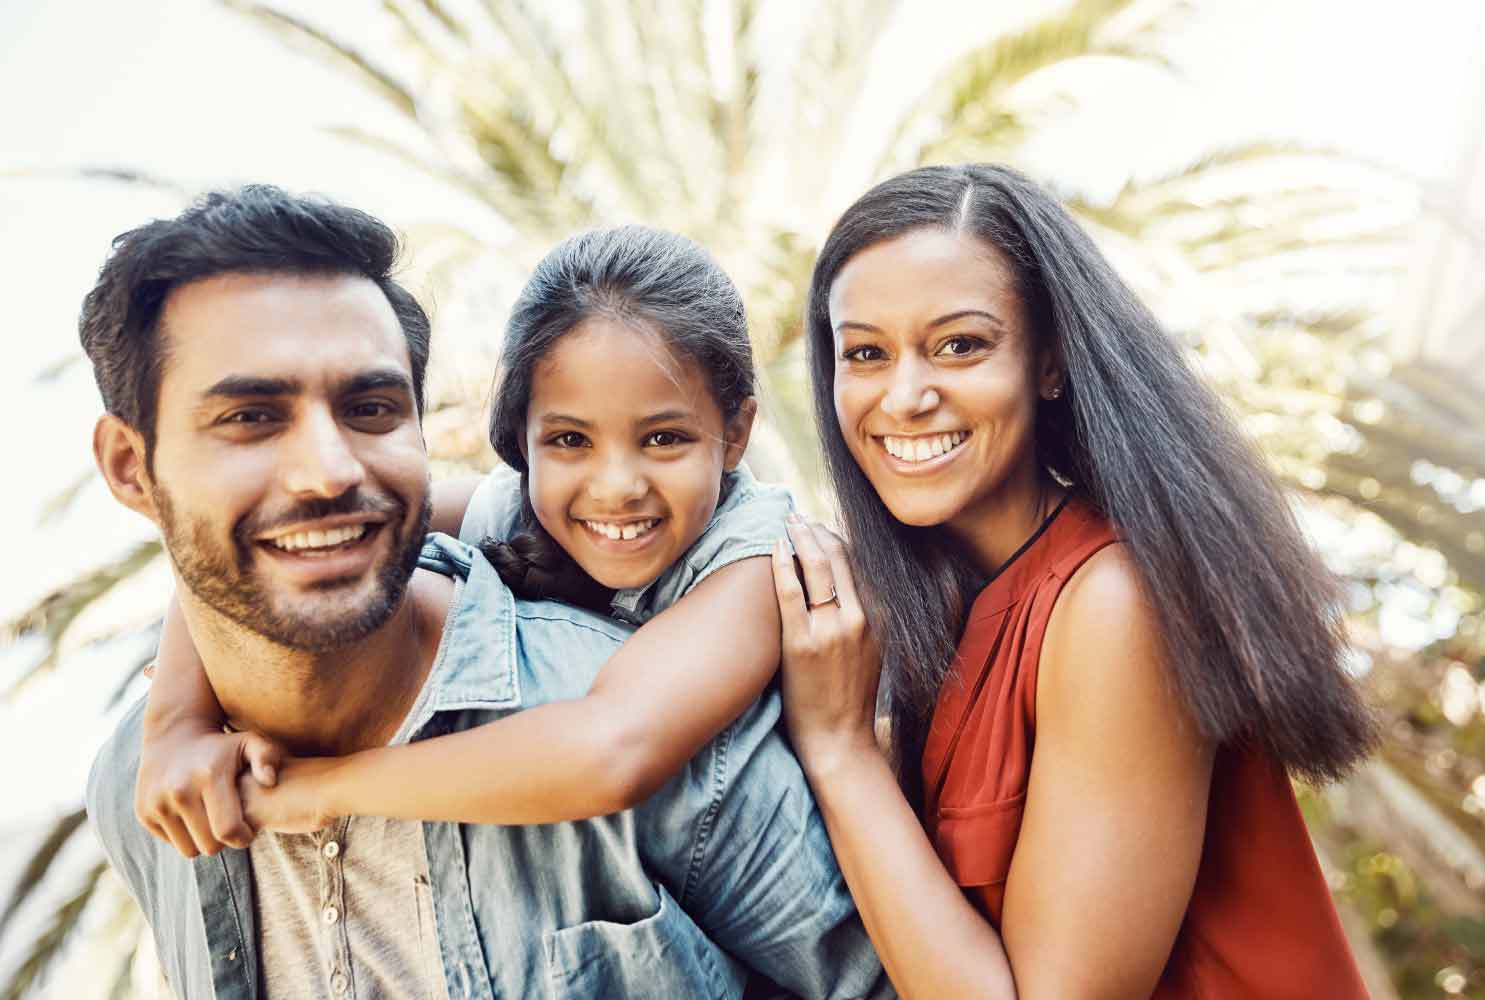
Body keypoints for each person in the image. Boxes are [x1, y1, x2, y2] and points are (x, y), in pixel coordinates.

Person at [82, 186, 889, 999]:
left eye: (666, 438)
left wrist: (320, 790)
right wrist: (176, 721)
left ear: (737, 434)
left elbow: (615, 749)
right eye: (252, 417)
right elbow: (270, 547)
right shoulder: (518, 504)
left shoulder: (760, 561)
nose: (615, 486)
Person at [769, 163, 1378, 999]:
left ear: (1049, 364)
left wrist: (840, 751)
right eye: (866, 353)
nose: (905, 396)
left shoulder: (1114, 604)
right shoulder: (921, 618)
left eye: (960, 345)